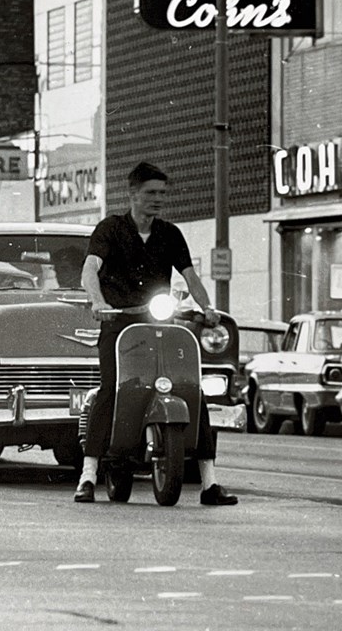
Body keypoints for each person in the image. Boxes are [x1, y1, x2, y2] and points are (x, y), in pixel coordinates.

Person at [73, 161, 238, 506]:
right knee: (111, 389)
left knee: (192, 389)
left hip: (158, 323)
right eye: (151, 193)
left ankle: (209, 483)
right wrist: (98, 301)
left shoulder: (170, 234)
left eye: (162, 193)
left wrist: (208, 308)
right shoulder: (110, 229)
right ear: (132, 194)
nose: (158, 199)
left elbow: (191, 277)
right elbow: (90, 269)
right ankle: (88, 476)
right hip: (119, 324)